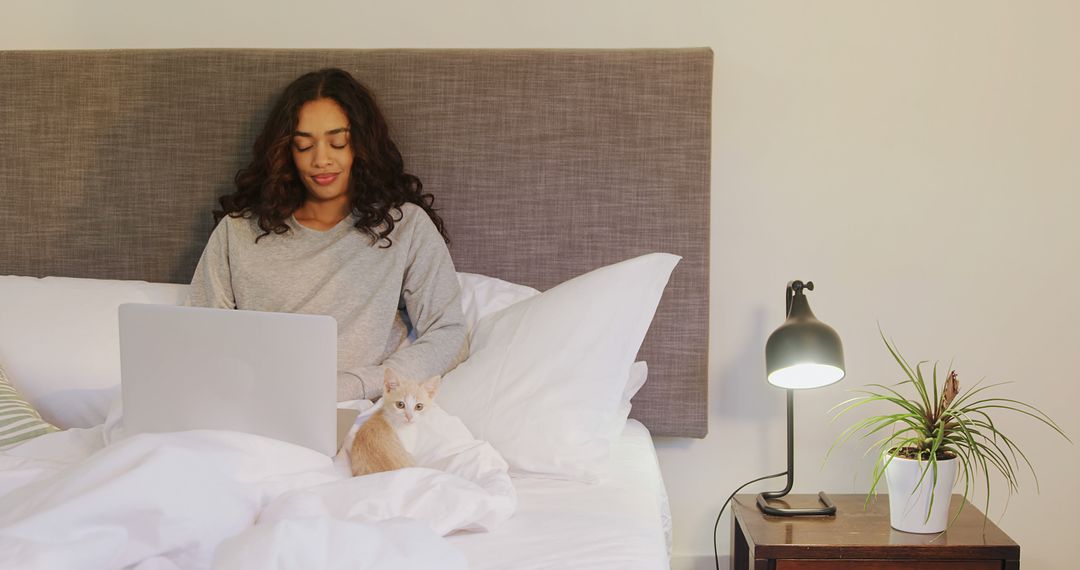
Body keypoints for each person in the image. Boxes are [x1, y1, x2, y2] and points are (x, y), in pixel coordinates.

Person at [186, 68, 468, 401]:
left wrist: (360, 384)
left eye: (338, 142)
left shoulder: (405, 226)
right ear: (286, 152)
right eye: (304, 146)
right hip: (257, 407)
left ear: (361, 145)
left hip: (358, 410)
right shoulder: (238, 231)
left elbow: (449, 335)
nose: (321, 160)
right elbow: (200, 338)